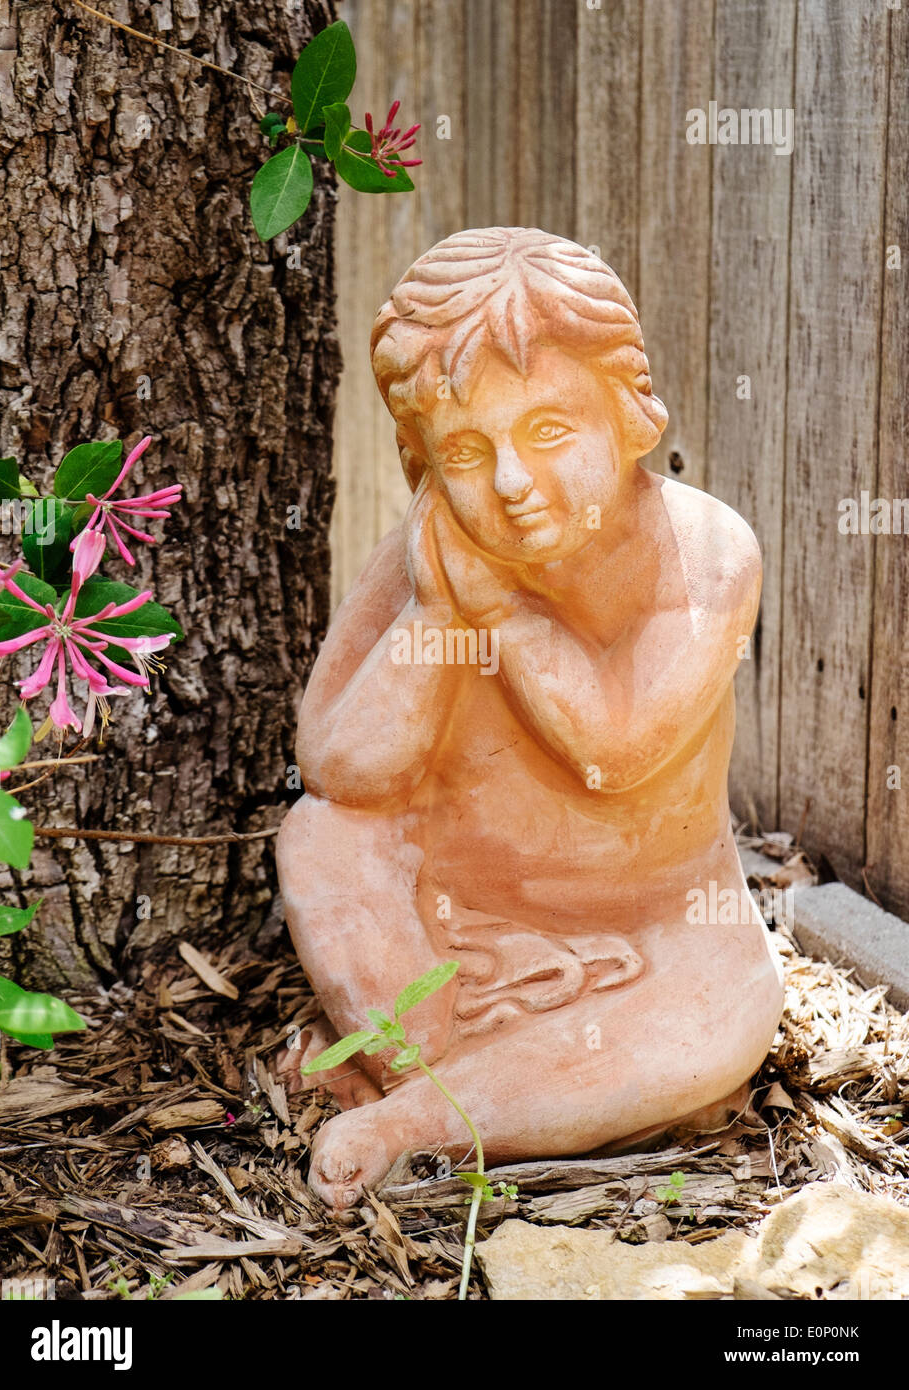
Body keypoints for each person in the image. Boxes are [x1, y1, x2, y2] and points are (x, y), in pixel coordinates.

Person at [276, 228, 784, 1210]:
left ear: (631, 411)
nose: (510, 483)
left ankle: (415, 1115)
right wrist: (433, 617)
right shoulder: (430, 551)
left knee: (724, 1018)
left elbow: (615, 752)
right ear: (421, 460)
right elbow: (343, 771)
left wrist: (502, 617)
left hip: (660, 924)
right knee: (323, 843)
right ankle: (465, 1071)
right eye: (466, 449)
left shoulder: (705, 554)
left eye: (549, 431)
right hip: (452, 923)